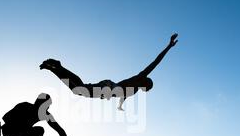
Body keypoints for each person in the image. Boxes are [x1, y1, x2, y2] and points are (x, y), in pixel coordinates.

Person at [40, 33, 178, 110]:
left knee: (79, 88)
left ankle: (57, 67)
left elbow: (124, 95)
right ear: (146, 83)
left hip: (108, 88)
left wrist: (120, 105)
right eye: (146, 89)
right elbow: (156, 62)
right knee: (78, 90)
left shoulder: (135, 89)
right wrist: (169, 46)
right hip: (108, 87)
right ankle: (56, 68)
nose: (144, 91)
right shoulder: (141, 77)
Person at [2, 93, 75, 136]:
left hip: (23, 134)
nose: (48, 108)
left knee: (40, 130)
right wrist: (19, 124)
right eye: (47, 105)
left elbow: (58, 128)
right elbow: (5, 117)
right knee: (22, 124)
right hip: (8, 131)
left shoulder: (46, 115)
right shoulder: (25, 106)